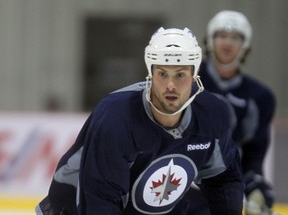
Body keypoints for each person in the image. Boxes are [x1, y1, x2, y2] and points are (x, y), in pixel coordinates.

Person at [35, 27, 244, 215]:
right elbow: (100, 199)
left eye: (180, 75)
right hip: (75, 205)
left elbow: (223, 179)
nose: (170, 85)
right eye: (162, 74)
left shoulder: (212, 114)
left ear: (194, 76)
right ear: (150, 74)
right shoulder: (116, 117)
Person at [198, 10, 276, 215]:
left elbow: (253, 156)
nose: (228, 43)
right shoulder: (185, 78)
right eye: (222, 35)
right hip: (184, 167)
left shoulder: (260, 97)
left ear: (246, 46)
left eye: (235, 37)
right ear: (209, 40)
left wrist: (255, 192)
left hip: (226, 177)